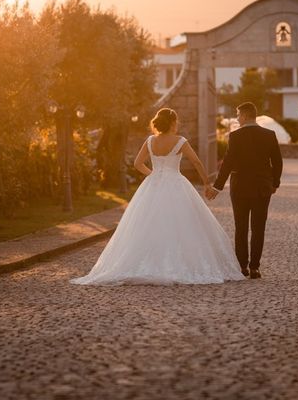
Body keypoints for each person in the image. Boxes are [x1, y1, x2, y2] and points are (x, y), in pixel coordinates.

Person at [71, 108, 245, 285]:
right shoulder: (180, 141)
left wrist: (153, 174)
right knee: (181, 223)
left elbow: (137, 163)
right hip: (176, 183)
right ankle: (177, 264)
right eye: (176, 121)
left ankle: (144, 262)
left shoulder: (150, 141)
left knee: (147, 223)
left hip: (153, 185)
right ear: (172, 123)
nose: (177, 124)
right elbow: (196, 162)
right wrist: (207, 183)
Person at [206, 102, 283, 279]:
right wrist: (274, 184)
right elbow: (277, 162)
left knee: (240, 227)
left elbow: (227, 164)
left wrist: (217, 187)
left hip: (239, 187)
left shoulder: (235, 136)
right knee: (258, 228)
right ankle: (255, 267)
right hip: (262, 187)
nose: (237, 118)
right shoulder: (269, 135)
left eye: (238, 115)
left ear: (247, 116)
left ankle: (242, 266)